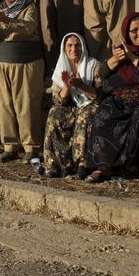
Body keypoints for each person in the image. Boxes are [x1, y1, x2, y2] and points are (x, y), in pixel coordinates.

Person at [85, 13, 139, 185]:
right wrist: (115, 59)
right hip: (123, 98)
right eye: (134, 30)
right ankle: (104, 166)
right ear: (126, 33)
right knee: (104, 113)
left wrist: (132, 58)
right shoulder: (121, 49)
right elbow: (102, 73)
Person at [0, 0, 43, 163]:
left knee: (25, 106)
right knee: (5, 106)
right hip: (2, 62)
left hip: (24, 62)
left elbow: (29, 26)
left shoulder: (28, 7)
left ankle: (31, 147)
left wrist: (6, 20)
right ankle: (10, 146)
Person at [43, 33, 100, 179]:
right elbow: (58, 100)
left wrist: (82, 86)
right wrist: (67, 87)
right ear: (64, 48)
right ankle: (55, 165)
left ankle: (82, 164)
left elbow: (100, 94)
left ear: (83, 47)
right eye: (69, 45)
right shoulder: (61, 67)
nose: (73, 48)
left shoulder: (93, 65)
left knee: (84, 114)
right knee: (54, 113)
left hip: (90, 103)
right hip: (70, 106)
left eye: (77, 45)